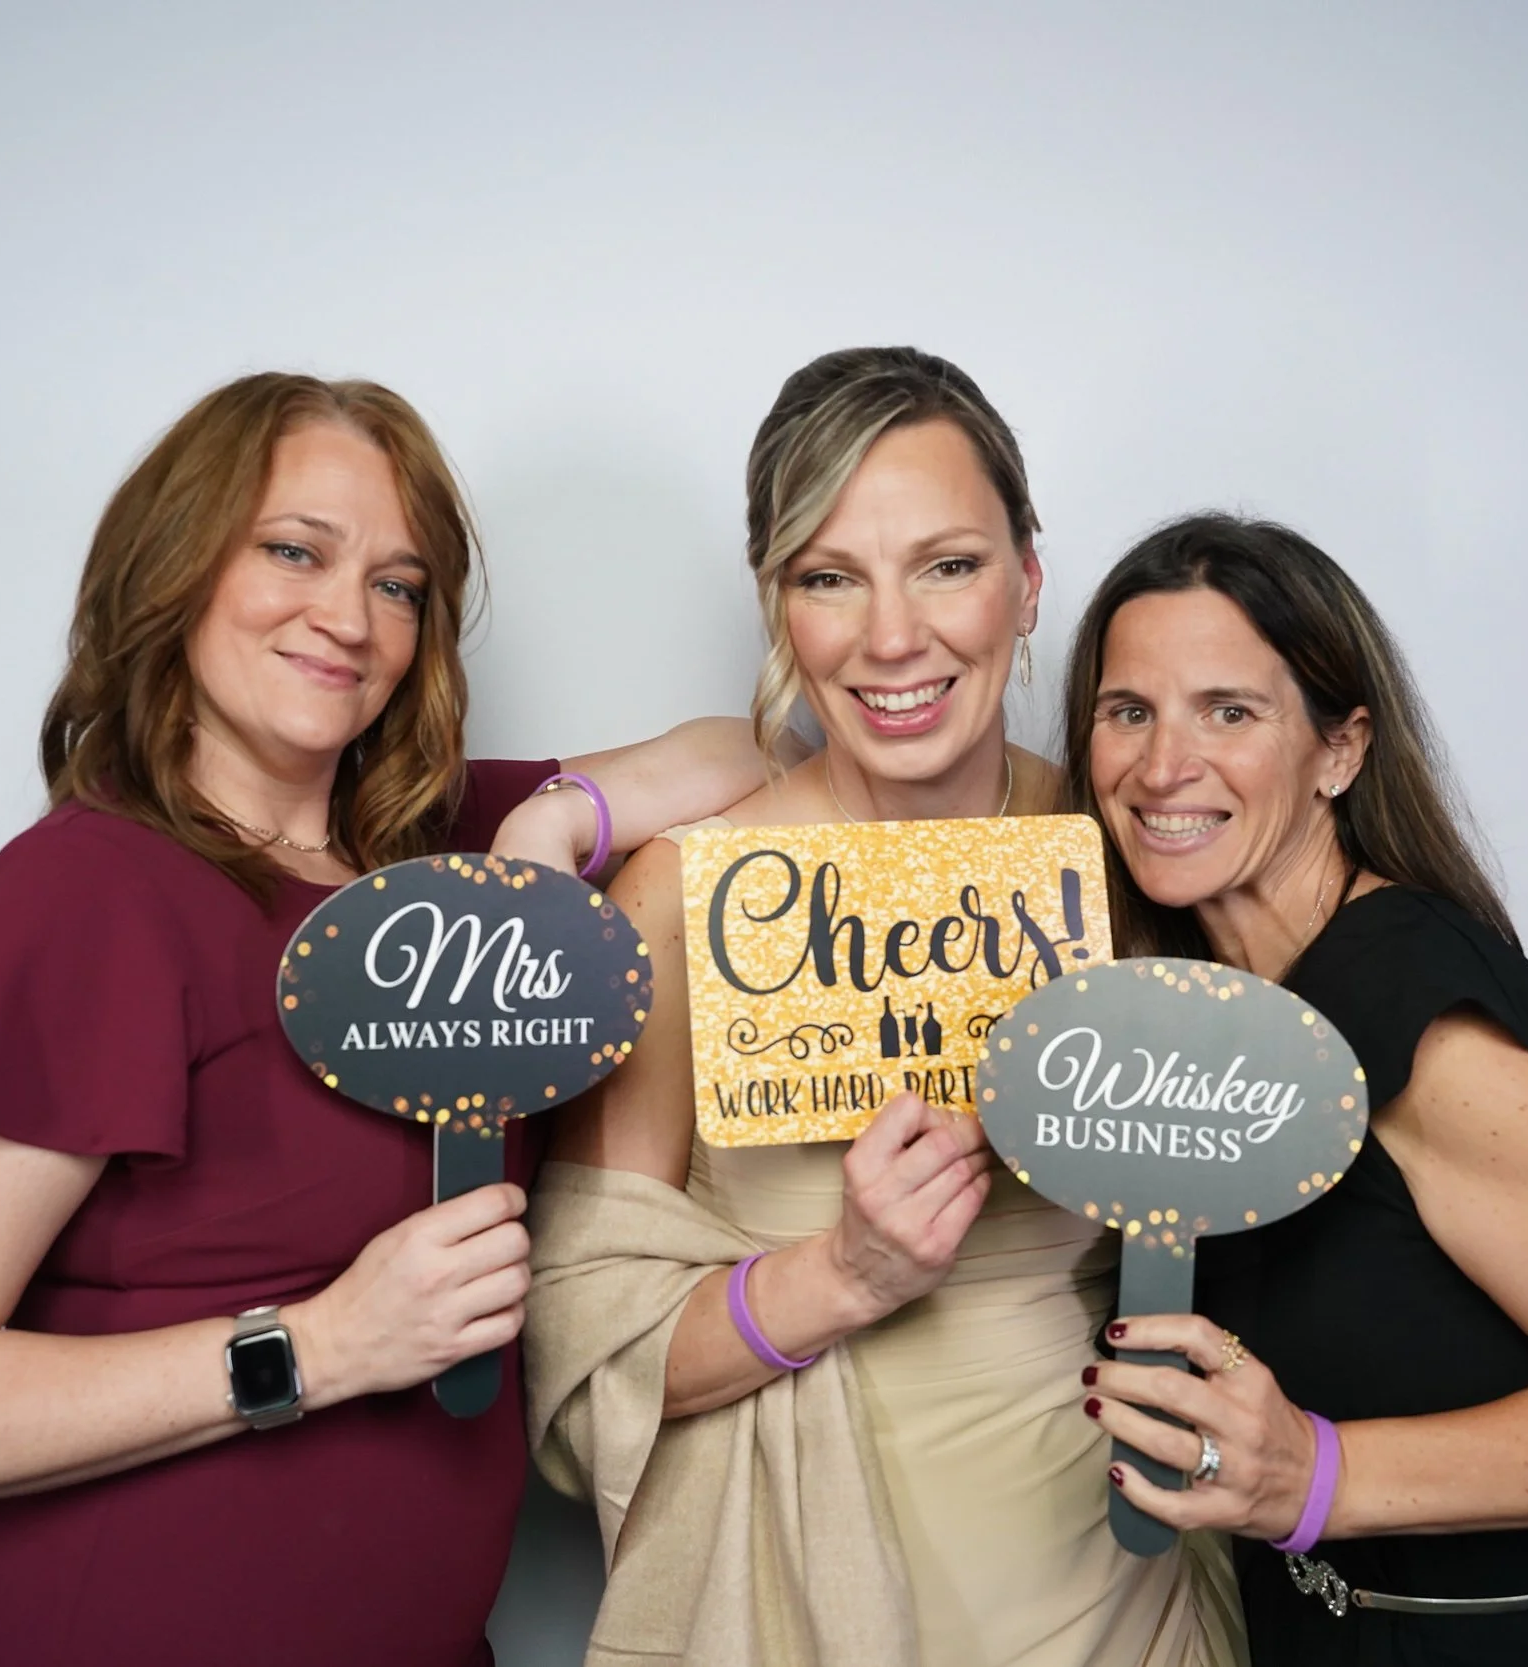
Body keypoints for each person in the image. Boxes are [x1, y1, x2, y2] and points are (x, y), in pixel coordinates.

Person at [0, 372, 780, 1667]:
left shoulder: (435, 873)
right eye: (296, 550)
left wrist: (549, 827)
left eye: (398, 583)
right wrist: (321, 1342)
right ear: (174, 564)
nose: (349, 616)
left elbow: (757, 750)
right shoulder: (84, 898)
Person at [526, 348, 1243, 1667]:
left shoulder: (1129, 850)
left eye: (948, 563)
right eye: (828, 576)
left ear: (1030, 579)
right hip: (794, 1601)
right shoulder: (686, 898)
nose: (892, 634)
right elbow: (579, 1369)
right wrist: (843, 1273)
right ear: (777, 605)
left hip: (1118, 1598)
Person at [1061, 512, 1528, 1663]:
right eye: (1129, 710)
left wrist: (1322, 1473)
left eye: (1229, 709)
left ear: (1339, 749)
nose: (1163, 764)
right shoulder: (1203, 1016)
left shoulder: (1429, 1018)